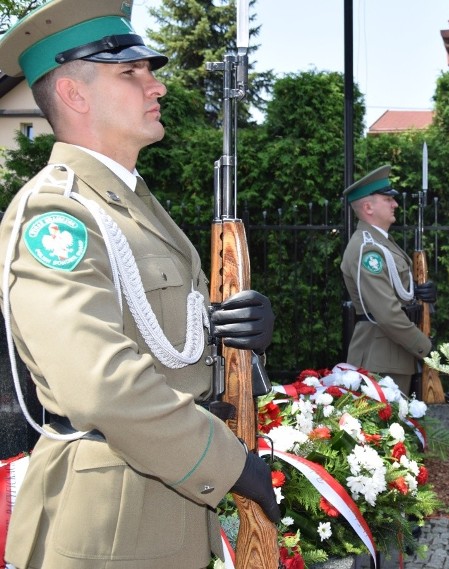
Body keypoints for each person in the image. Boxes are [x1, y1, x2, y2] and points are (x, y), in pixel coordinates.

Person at [0, 1, 279, 567]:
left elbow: (174, 346)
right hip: (112, 524)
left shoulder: (135, 206)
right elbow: (98, 382)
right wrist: (228, 465)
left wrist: (242, 339)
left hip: (162, 504)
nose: (158, 86)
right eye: (132, 73)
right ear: (75, 95)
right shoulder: (58, 212)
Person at [340, 165, 436, 396]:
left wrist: (420, 293)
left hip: (392, 356)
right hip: (379, 360)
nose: (395, 204)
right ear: (368, 207)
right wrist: (427, 348)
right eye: (387, 199)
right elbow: (387, 314)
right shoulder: (368, 249)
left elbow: (398, 293)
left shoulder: (381, 242)